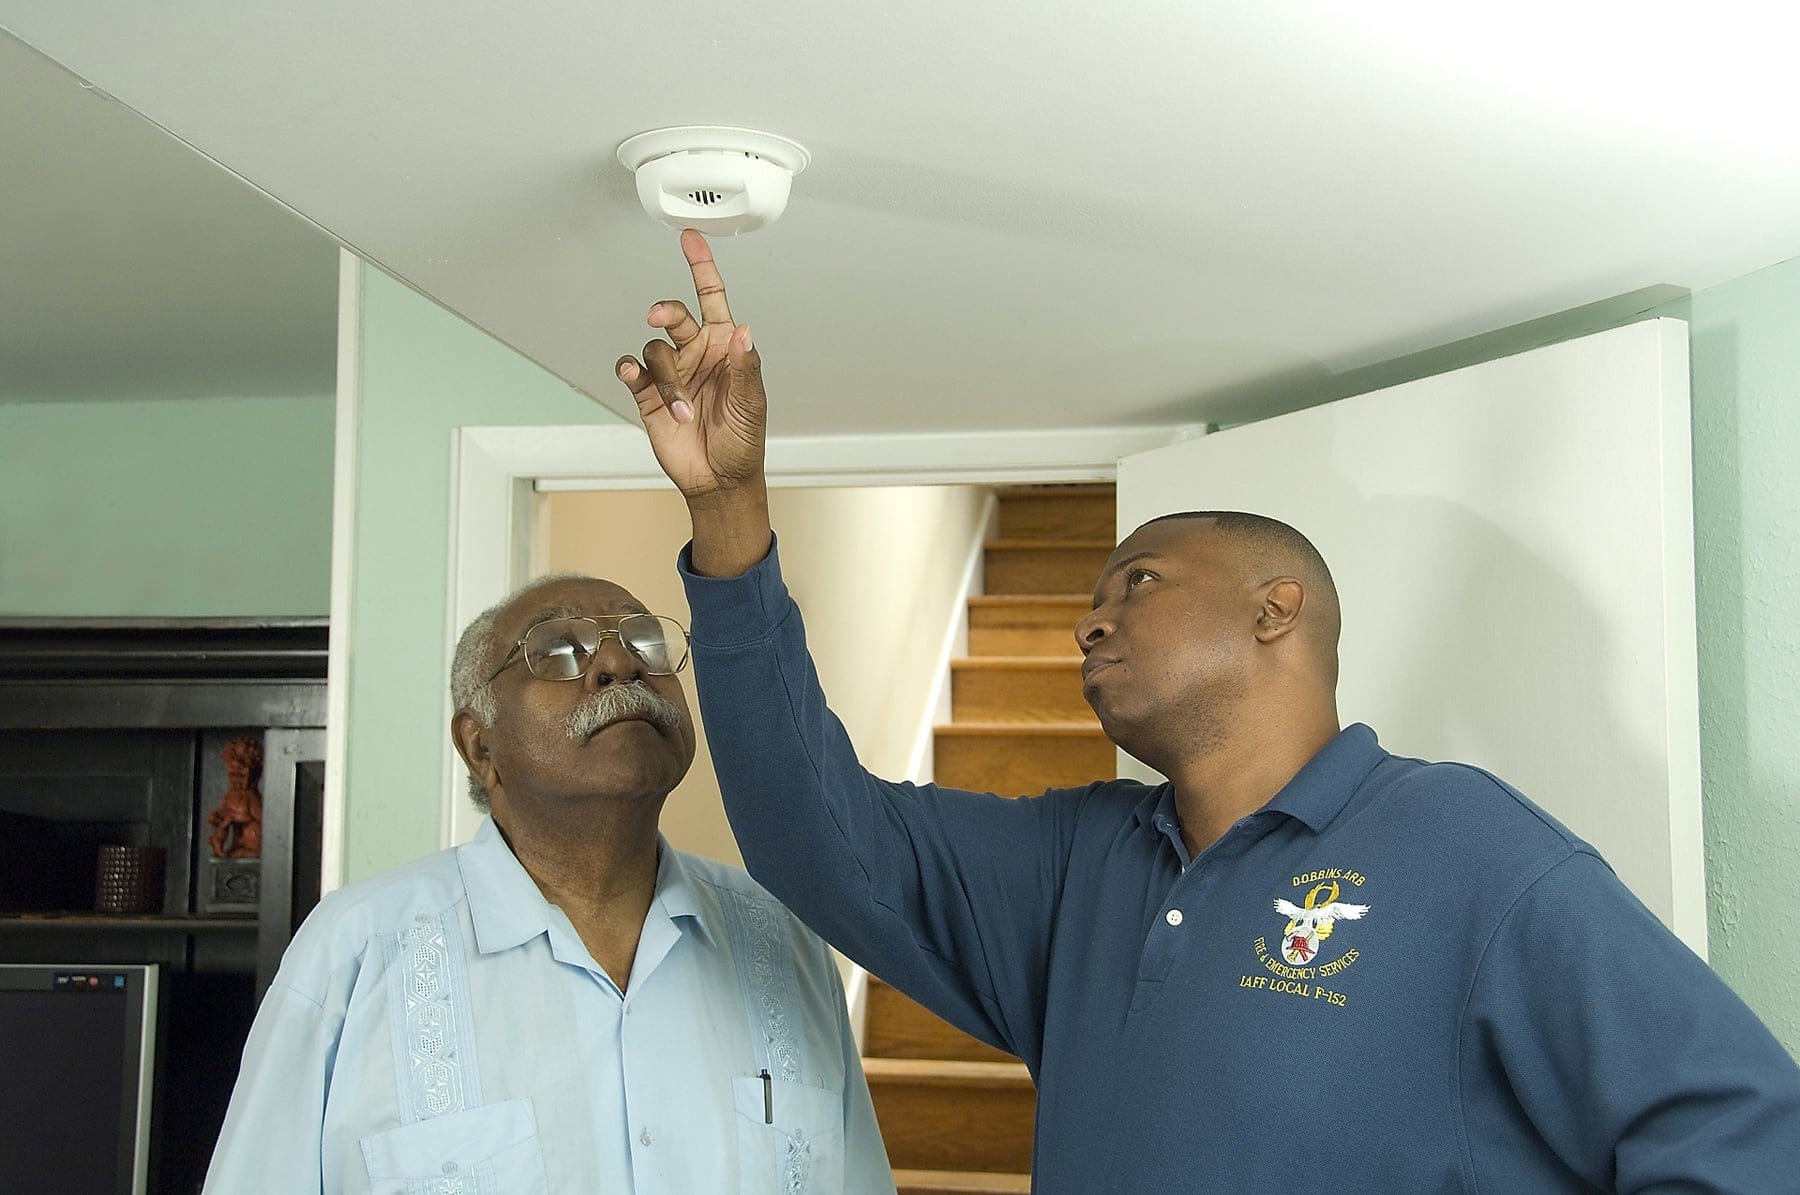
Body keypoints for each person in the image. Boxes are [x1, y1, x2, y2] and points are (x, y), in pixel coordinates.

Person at [613, 231, 1800, 1193]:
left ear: (1276, 610)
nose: (1091, 619)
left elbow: (1742, 1130)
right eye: (1091, 593)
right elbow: (813, 836)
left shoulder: (1465, 846)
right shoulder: (1083, 860)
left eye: (1138, 581)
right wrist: (730, 509)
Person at [205, 571, 892, 1194]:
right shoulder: (355, 955)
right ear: (480, 747)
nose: (621, 662)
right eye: (560, 650)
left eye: (647, 642)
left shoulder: (784, 942)